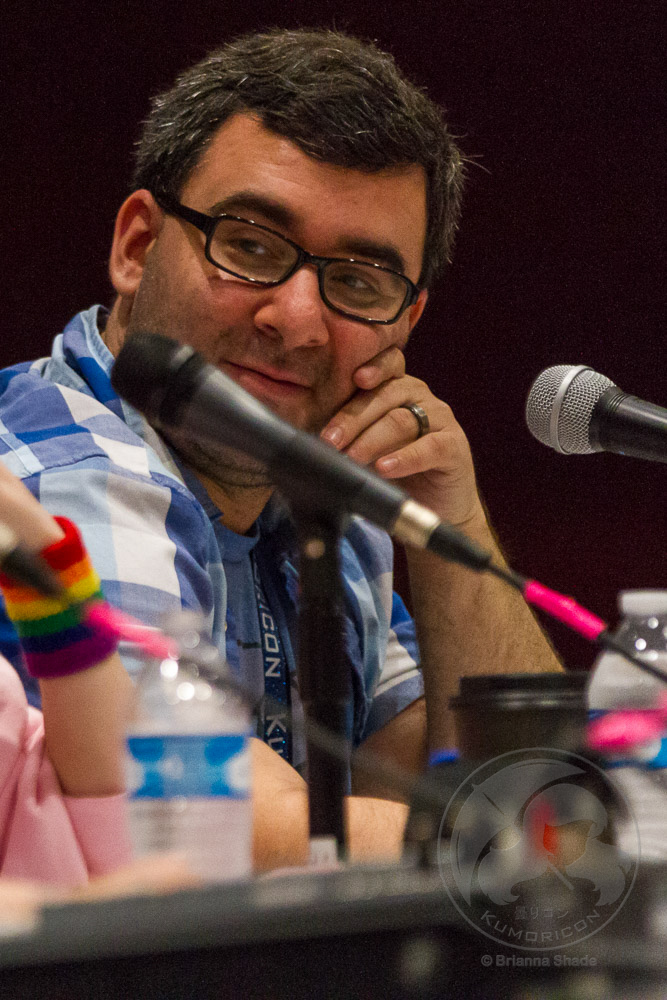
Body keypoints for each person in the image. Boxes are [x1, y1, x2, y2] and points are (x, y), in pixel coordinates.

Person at [0, 29, 561, 834]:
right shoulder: (62, 472)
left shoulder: (323, 511)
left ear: (405, 322)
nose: (296, 320)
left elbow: (509, 784)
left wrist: (452, 524)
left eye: (358, 282)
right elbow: (200, 820)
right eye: (251, 246)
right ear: (137, 247)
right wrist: (523, 848)